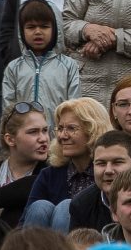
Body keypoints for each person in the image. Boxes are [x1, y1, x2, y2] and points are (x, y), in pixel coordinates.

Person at [21, 96, 111, 228]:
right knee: (40, 207)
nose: (62, 136)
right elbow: (22, 225)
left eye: (71, 128)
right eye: (60, 128)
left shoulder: (108, 173)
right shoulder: (49, 175)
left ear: (93, 131)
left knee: (66, 207)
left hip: (94, 239)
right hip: (45, 239)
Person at [1, 0, 81, 128]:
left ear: (56, 29)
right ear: (21, 31)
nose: (38, 32)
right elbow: (8, 109)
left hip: (58, 137)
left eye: (44, 26)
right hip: (25, 136)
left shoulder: (68, 66)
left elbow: (75, 106)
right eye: (31, 27)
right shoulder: (14, 68)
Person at [0, 104, 49, 230]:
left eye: (45, 130)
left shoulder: (52, 170)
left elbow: (34, 185)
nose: (43, 139)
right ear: (10, 139)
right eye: (33, 132)